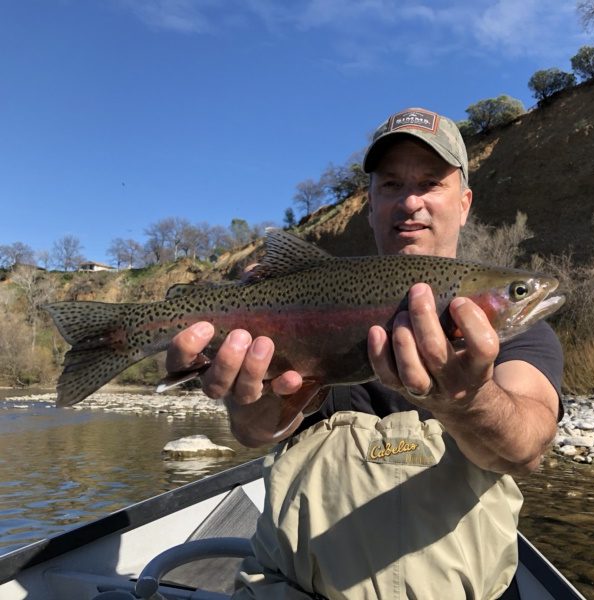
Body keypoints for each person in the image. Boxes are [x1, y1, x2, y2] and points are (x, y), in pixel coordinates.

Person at [165, 107, 563, 599]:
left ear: (463, 203)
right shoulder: (316, 296)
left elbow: (526, 446)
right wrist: (253, 406)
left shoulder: (516, 338)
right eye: (391, 185)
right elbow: (254, 431)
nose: (411, 201)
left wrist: (467, 400)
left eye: (431, 183)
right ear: (370, 205)